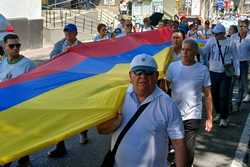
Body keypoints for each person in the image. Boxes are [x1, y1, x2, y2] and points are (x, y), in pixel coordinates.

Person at [97, 54, 187, 167]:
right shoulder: (118, 98)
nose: (143, 76)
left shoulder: (168, 105)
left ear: (156, 75)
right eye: (138, 72)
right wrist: (114, 123)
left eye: (148, 72)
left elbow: (178, 144)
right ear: (130, 76)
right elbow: (101, 130)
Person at [166, 39, 213, 167]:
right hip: (173, 115)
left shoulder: (202, 70)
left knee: (188, 149)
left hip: (192, 115)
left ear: (195, 52)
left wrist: (209, 118)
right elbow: (165, 90)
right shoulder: (172, 67)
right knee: (174, 146)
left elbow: (208, 95)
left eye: (188, 50)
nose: (185, 53)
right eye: (183, 49)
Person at [48, 23, 89, 158]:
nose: (67, 35)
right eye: (66, 33)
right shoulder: (60, 44)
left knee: (80, 110)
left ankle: (83, 132)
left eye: (70, 33)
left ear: (75, 34)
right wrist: (62, 53)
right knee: (60, 113)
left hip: (78, 83)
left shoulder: (82, 46)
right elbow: (52, 58)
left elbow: (88, 62)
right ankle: (60, 146)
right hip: (62, 82)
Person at [1, 34, 36, 167]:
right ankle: (15, 159)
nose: (16, 48)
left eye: (18, 45)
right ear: (5, 47)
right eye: (12, 46)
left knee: (18, 135)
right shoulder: (3, 62)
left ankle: (20, 160)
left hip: (21, 105)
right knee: (6, 134)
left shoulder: (28, 64)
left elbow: (35, 86)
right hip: (5, 104)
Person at [200, 23, 239, 127]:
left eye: (218, 34)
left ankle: (224, 117)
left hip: (225, 73)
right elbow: (204, 52)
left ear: (223, 33)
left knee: (224, 95)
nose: (216, 35)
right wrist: (195, 47)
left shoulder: (231, 42)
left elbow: (235, 57)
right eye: (215, 33)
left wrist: (237, 71)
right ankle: (218, 113)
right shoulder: (211, 41)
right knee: (214, 94)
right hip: (212, 72)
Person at [230, 19, 250, 108]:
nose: (242, 28)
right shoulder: (233, 37)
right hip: (233, 63)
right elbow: (229, 49)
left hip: (244, 63)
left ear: (247, 27)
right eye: (240, 26)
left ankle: (237, 104)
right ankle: (229, 104)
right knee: (231, 83)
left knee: (241, 85)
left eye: (244, 26)